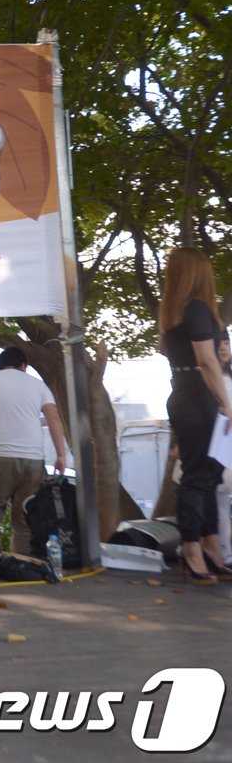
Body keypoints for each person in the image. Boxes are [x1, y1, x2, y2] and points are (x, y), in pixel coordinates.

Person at [157, 247, 232, 584]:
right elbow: (206, 361)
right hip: (201, 398)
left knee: (208, 475)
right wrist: (225, 401)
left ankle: (211, 548)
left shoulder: (173, 313)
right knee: (199, 477)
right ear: (200, 273)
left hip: (185, 395)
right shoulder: (198, 309)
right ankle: (193, 551)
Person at [0, 348, 69, 555]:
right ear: (24, 366)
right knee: (26, 516)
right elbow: (54, 417)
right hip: (33, 459)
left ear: (0, 365)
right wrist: (61, 455)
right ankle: (22, 564)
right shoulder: (39, 386)